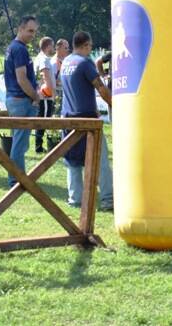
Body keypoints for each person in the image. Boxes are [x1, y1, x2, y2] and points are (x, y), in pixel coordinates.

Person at [59, 31, 113, 211]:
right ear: (86, 45)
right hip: (87, 119)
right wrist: (115, 105)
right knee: (100, 160)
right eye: (90, 46)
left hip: (67, 118)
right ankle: (107, 199)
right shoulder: (85, 63)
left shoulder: (66, 62)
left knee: (72, 161)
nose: (91, 50)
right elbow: (100, 87)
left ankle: (74, 199)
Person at [3, 15, 41, 187]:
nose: (33, 35)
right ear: (20, 28)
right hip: (21, 100)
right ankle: (17, 180)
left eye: (35, 31)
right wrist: (35, 96)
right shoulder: (19, 49)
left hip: (14, 99)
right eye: (30, 30)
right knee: (19, 144)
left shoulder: (13, 47)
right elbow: (22, 78)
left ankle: (18, 177)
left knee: (18, 142)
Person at [33, 37, 56, 154]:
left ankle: (39, 145)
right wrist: (51, 91)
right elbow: (45, 75)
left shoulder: (38, 58)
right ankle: (38, 147)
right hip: (45, 96)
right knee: (43, 120)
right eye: (52, 46)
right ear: (47, 46)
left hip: (41, 95)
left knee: (41, 119)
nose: (53, 48)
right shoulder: (44, 59)